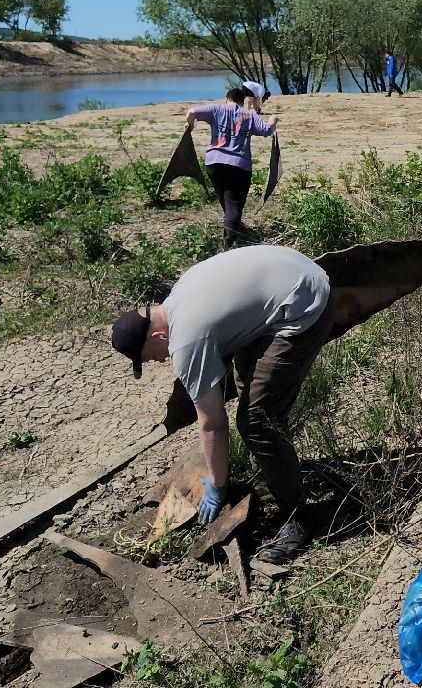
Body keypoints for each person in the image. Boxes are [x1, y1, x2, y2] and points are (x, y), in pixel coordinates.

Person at [109, 245, 334, 564]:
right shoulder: (180, 293)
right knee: (249, 385)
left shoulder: (186, 340)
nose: (161, 359)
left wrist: (217, 484)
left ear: (157, 335)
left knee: (256, 420)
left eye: (152, 356)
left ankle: (297, 517)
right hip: (296, 271)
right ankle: (273, 468)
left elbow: (213, 422)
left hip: (305, 305)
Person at [186, 87, 275, 249]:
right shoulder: (249, 115)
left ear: (227, 99)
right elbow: (266, 131)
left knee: (226, 200)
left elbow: (191, 112)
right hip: (239, 166)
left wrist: (190, 126)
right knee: (234, 203)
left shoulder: (217, 109)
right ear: (242, 102)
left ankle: (236, 231)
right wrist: (273, 121)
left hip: (214, 163)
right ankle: (229, 244)